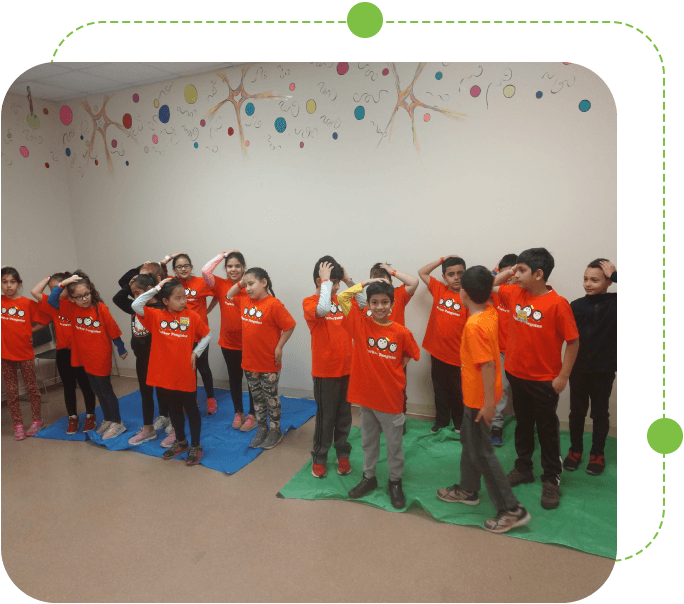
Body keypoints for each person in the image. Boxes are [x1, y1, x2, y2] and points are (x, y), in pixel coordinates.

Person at [436, 266, 531, 533]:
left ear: (464, 292)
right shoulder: (488, 310)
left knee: (482, 452)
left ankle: (511, 509)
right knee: (469, 441)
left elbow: (488, 365)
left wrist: (489, 406)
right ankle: (468, 489)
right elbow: (486, 288)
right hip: (476, 395)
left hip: (480, 400)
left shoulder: (474, 325)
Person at [493, 248, 579, 510]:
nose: (515, 275)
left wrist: (563, 376)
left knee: (547, 430)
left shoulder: (558, 304)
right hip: (517, 374)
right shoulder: (515, 293)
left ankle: (551, 477)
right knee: (523, 425)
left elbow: (573, 342)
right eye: (515, 270)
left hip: (544, 380)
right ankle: (523, 467)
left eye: (522, 271)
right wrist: (512, 270)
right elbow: (492, 283)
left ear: (539, 274)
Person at [338, 278, 420, 509]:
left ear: (392, 304)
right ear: (369, 304)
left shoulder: (401, 332)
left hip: (390, 400)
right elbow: (343, 297)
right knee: (368, 442)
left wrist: (394, 370)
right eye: (374, 302)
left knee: (394, 446)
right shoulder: (359, 323)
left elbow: (412, 353)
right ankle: (369, 478)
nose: (380, 307)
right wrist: (367, 281)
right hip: (366, 399)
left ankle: (395, 482)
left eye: (385, 302)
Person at [131, 278, 211, 465]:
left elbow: (207, 334)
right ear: (165, 301)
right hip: (165, 374)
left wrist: (196, 352)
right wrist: (157, 288)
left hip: (185, 373)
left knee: (191, 410)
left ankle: (196, 446)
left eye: (184, 296)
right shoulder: (155, 315)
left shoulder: (191, 316)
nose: (183, 301)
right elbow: (136, 304)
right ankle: (181, 441)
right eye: (178, 298)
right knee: (174, 409)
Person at [303, 257, 367, 478]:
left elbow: (366, 303)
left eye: (338, 282)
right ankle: (319, 456)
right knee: (325, 418)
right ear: (319, 281)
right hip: (325, 372)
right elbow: (322, 310)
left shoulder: (343, 300)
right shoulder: (310, 302)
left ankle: (343, 453)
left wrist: (348, 280)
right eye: (333, 282)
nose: (336, 287)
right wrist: (325, 282)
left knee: (344, 416)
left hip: (347, 369)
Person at [47, 271, 129, 440]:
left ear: (91, 291)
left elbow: (113, 329)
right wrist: (64, 283)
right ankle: (108, 419)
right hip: (84, 357)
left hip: (100, 356)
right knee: (97, 390)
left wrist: (121, 348)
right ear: (71, 298)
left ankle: (118, 422)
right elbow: (52, 300)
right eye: (79, 296)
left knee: (106, 390)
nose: (84, 299)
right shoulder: (71, 308)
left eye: (87, 294)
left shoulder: (100, 308)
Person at [224, 268, 296, 450]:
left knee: (270, 398)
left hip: (268, 362)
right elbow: (229, 294)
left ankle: (275, 430)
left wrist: (279, 346)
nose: (247, 288)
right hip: (249, 362)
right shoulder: (244, 300)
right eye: (245, 285)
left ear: (263, 282)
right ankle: (262, 429)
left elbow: (289, 326)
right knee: (256, 399)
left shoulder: (273, 304)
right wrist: (241, 282)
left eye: (251, 284)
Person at [564, 259, 617, 476]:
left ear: (608, 282)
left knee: (599, 413)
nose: (588, 283)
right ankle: (575, 450)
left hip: (603, 370)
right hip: (578, 369)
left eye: (595, 280)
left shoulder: (615, 303)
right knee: (576, 412)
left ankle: (597, 453)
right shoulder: (575, 305)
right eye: (585, 279)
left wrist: (615, 274)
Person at [32, 272, 97, 435]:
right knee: (68, 387)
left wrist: (67, 282)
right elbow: (35, 292)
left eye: (59, 288)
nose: (56, 292)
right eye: (52, 289)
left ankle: (90, 416)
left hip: (81, 352)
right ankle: (73, 418)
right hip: (63, 353)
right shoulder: (54, 305)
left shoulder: (79, 302)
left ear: (68, 288)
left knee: (85, 386)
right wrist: (49, 278)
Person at [201, 250, 256, 431]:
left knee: (252, 380)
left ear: (244, 267)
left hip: (250, 343)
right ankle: (238, 412)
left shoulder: (251, 285)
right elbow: (205, 272)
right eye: (229, 266)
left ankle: (252, 415)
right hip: (228, 343)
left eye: (237, 266)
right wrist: (222, 255)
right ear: (226, 268)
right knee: (234, 378)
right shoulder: (221, 284)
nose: (233, 269)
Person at [112, 271, 168, 446]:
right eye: (134, 294)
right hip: (141, 358)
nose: (134, 297)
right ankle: (148, 429)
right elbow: (117, 299)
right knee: (145, 393)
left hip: (159, 358)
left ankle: (170, 420)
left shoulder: (160, 309)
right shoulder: (136, 307)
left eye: (138, 293)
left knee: (165, 392)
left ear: (150, 290)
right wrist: (130, 285)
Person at [161, 253, 218, 414]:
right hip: (180, 336)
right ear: (174, 270)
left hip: (200, 335)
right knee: (187, 370)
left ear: (191, 267)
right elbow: (158, 268)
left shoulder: (201, 282)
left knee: (203, 368)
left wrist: (207, 310)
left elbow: (218, 295)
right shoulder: (172, 283)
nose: (183, 269)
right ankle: (191, 398)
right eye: (179, 266)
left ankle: (210, 398)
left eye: (186, 265)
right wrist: (170, 256)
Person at [418, 256, 469, 433]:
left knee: (457, 392)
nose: (456, 277)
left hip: (458, 356)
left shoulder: (469, 297)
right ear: (444, 277)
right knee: (439, 390)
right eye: (451, 274)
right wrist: (441, 260)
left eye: (460, 273)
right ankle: (441, 421)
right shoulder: (439, 289)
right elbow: (422, 272)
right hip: (437, 352)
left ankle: (460, 423)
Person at [368, 262, 419, 432]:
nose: (380, 282)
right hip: (374, 354)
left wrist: (392, 271)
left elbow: (414, 282)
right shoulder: (370, 300)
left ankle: (399, 421)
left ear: (390, 280)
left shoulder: (398, 294)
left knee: (398, 390)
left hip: (396, 354)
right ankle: (379, 422)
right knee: (376, 390)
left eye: (383, 278)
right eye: (376, 278)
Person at [1, 266, 50, 439]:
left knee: (31, 388)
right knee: (12, 391)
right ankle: (18, 424)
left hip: (25, 353)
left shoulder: (27, 303)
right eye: (4, 282)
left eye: (12, 282)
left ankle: (37, 420)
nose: (8, 286)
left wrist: (30, 332)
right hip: (5, 355)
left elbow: (45, 320)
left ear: (19, 284)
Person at [488, 254, 518, 446]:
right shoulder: (497, 292)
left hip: (522, 353)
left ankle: (526, 426)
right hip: (500, 351)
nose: (508, 278)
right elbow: (485, 285)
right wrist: (497, 270)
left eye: (513, 273)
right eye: (504, 274)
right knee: (501, 390)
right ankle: (496, 425)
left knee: (525, 393)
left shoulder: (523, 292)